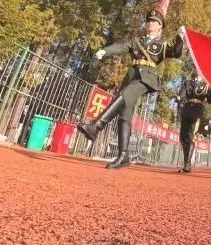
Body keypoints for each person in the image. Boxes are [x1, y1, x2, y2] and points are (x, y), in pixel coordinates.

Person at [78, 10, 183, 170]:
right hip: (131, 77)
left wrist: (180, 37)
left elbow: (176, 51)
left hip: (146, 78)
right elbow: (121, 47)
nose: (150, 23)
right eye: (149, 21)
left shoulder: (161, 45)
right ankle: (123, 155)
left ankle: (97, 126)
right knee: (125, 115)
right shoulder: (137, 42)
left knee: (126, 93)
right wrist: (104, 51)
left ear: (160, 27)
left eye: (154, 22)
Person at [175, 73, 211, 173]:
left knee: (191, 136)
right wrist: (179, 98)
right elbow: (183, 93)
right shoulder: (188, 82)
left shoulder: (205, 85)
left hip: (197, 109)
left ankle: (187, 164)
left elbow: (210, 101)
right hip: (186, 108)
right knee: (183, 138)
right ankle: (186, 163)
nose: (197, 72)